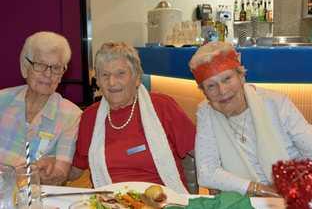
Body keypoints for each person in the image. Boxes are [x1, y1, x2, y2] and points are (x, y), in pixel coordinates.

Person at [189, 41, 312, 197]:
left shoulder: (276, 103)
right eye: (211, 86)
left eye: (227, 79)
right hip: (246, 202)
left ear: (241, 76)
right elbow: (207, 172)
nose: (222, 90)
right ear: (204, 92)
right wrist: (261, 189)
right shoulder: (206, 114)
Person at [71, 42, 195, 194]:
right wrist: (50, 168)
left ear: (136, 78)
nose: (112, 82)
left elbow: (200, 152)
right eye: (105, 75)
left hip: (162, 202)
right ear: (97, 81)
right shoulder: (90, 117)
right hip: (110, 203)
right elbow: (75, 169)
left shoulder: (162, 107)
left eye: (120, 74)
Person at [0, 31, 82, 185]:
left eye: (56, 67)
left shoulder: (71, 115)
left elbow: (60, 173)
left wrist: (51, 171)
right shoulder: (2, 100)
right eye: (40, 65)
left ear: (62, 73)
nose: (48, 74)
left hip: (33, 200)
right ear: (25, 67)